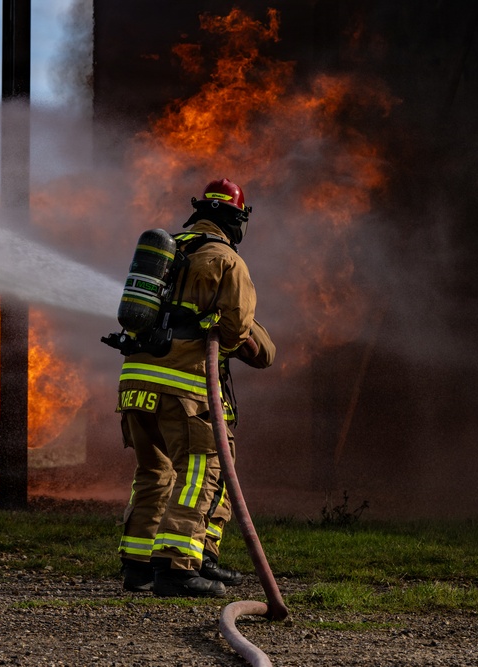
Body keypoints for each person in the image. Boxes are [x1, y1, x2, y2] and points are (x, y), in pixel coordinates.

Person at [116, 178, 276, 597]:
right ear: (236, 220)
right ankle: (177, 567)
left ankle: (139, 565)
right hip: (182, 388)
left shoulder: (166, 253)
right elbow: (235, 330)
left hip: (134, 385)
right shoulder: (227, 261)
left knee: (154, 472)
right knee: (202, 470)